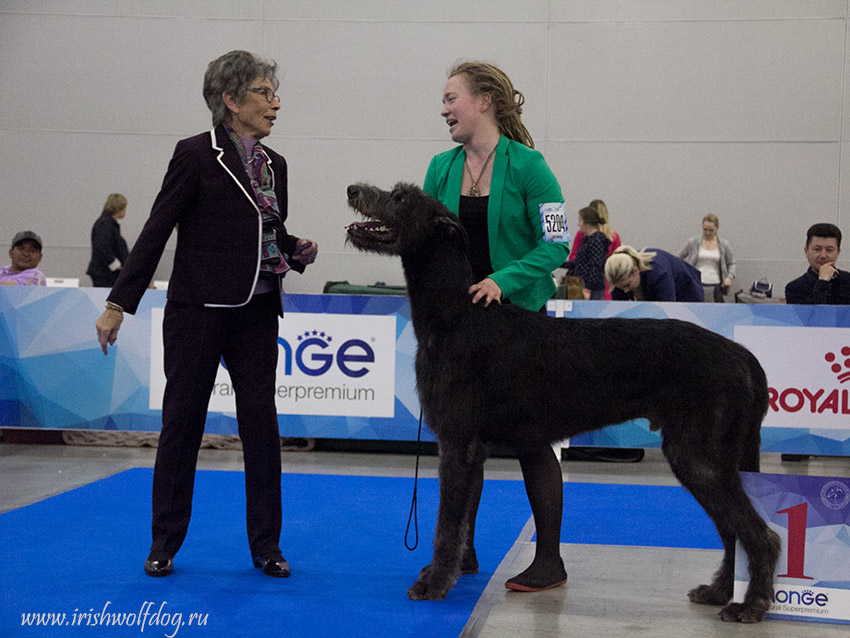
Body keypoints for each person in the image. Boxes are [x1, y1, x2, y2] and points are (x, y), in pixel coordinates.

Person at [94, 50, 318, 579]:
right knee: (182, 427)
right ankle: (164, 543)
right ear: (231, 100)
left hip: (259, 310)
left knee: (262, 428)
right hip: (197, 312)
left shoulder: (275, 164)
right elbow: (156, 228)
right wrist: (117, 303)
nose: (276, 104)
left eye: (274, 93)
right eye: (265, 93)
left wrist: (294, 247)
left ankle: (267, 546)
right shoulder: (195, 155)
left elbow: (265, 231)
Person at [424, 60, 570, 592]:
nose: (443, 110)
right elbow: (428, 241)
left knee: (534, 441)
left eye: (450, 98)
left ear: (483, 100)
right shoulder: (440, 167)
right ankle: (461, 551)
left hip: (521, 326)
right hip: (462, 333)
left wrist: (503, 280)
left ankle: (549, 560)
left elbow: (555, 244)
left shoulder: (531, 166)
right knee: (462, 442)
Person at [605, 245, 703, 302]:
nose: (625, 291)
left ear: (636, 270)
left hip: (687, 292)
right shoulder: (618, 280)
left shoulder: (659, 274)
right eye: (621, 287)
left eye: (627, 285)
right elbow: (620, 314)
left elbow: (667, 313)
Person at [567, 199, 621, 299]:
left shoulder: (593, 239)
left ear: (587, 222)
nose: (578, 224)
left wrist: (587, 288)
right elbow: (616, 263)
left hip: (591, 287)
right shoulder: (611, 237)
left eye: (580, 221)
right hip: (603, 284)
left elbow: (594, 265)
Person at [785, 223, 850, 305]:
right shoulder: (795, 288)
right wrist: (823, 282)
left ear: (838, 252)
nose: (823, 255)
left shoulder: (847, 281)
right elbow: (813, 315)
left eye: (829, 250)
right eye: (817, 249)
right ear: (806, 251)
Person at [677, 213, 736, 302]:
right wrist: (685, 274)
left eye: (711, 230)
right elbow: (678, 259)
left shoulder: (724, 244)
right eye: (705, 229)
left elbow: (731, 263)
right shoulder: (692, 242)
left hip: (717, 286)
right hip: (696, 284)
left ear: (717, 228)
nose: (708, 233)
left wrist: (729, 277)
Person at [87, 193, 130, 287]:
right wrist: (116, 265)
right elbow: (102, 247)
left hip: (107, 273)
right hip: (104, 274)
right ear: (118, 209)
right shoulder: (104, 224)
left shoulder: (108, 223)